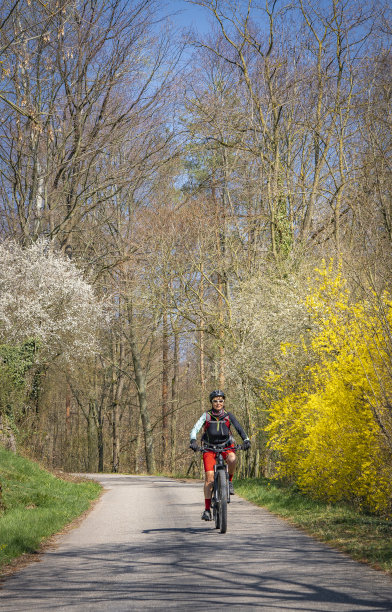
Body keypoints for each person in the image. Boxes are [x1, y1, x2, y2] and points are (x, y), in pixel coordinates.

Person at [189, 390, 251, 521]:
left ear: (224, 402)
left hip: (226, 446)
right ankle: (207, 510)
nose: (218, 403)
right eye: (215, 401)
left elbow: (239, 428)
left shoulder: (228, 416)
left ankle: (229, 481)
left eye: (221, 401)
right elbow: (195, 428)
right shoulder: (206, 415)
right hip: (209, 448)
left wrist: (246, 440)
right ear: (211, 402)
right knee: (209, 479)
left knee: (233, 459)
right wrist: (193, 441)